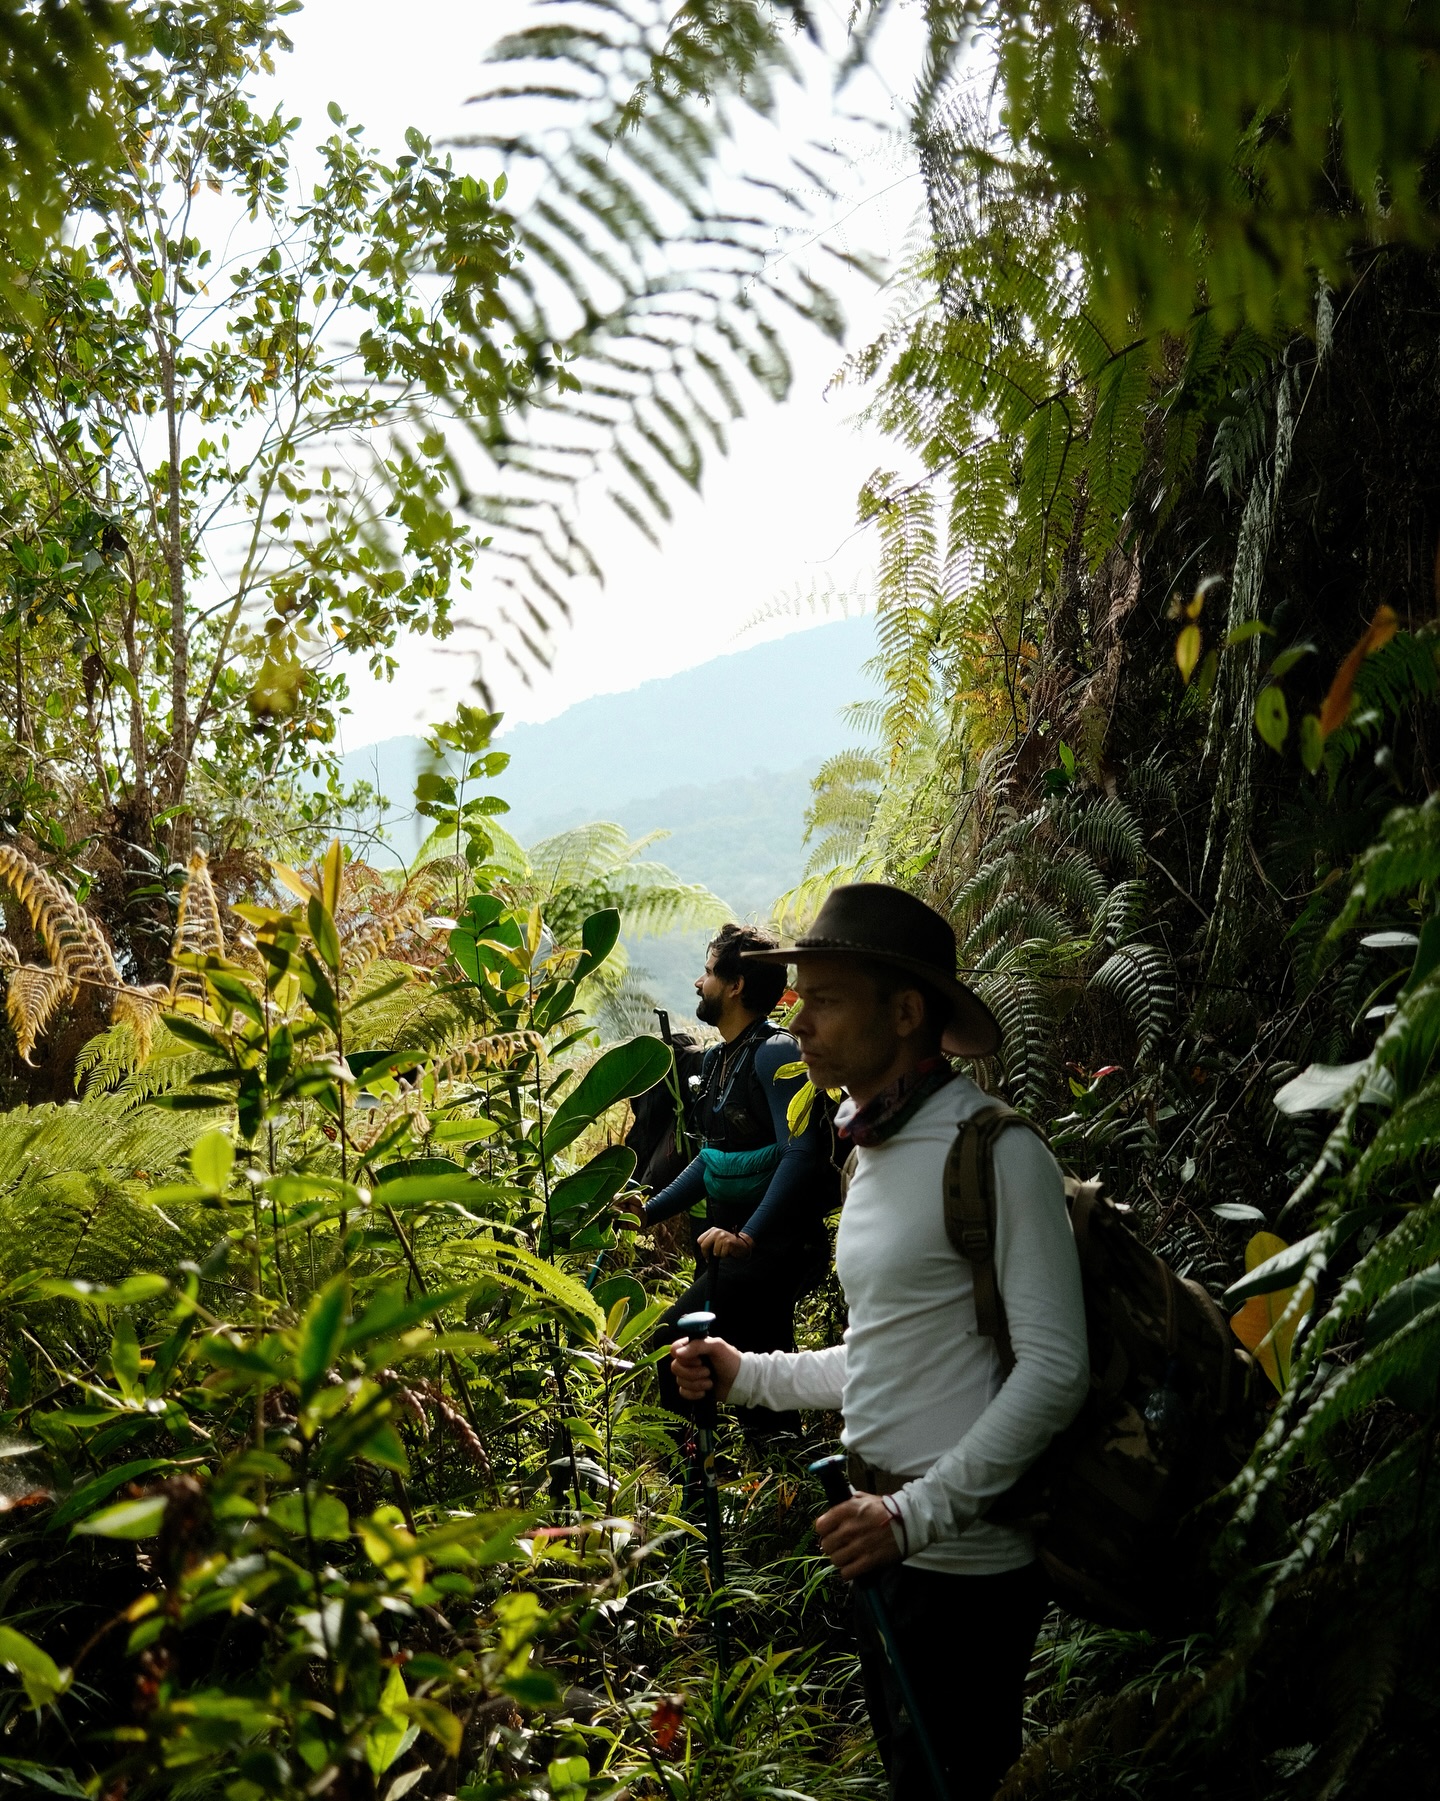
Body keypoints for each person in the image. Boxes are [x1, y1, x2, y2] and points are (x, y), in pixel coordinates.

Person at [669, 884, 1089, 1801]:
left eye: (823, 998)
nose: (799, 1019)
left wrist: (913, 1516)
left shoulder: (996, 1151)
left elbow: (1057, 1369)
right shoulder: (871, 1152)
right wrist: (746, 1376)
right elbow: (881, 1353)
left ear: (905, 1012)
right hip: (882, 1547)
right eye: (796, 997)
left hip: (964, 1568)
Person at [634, 922, 834, 1433]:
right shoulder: (722, 1059)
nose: (698, 984)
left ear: (737, 984)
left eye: (707, 972)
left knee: (675, 1339)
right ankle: (780, 1488)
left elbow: (802, 1153)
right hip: (732, 1248)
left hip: (773, 1246)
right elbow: (712, 1161)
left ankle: (693, 1482)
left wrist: (749, 1235)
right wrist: (647, 1211)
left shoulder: (774, 1053)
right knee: (760, 1378)